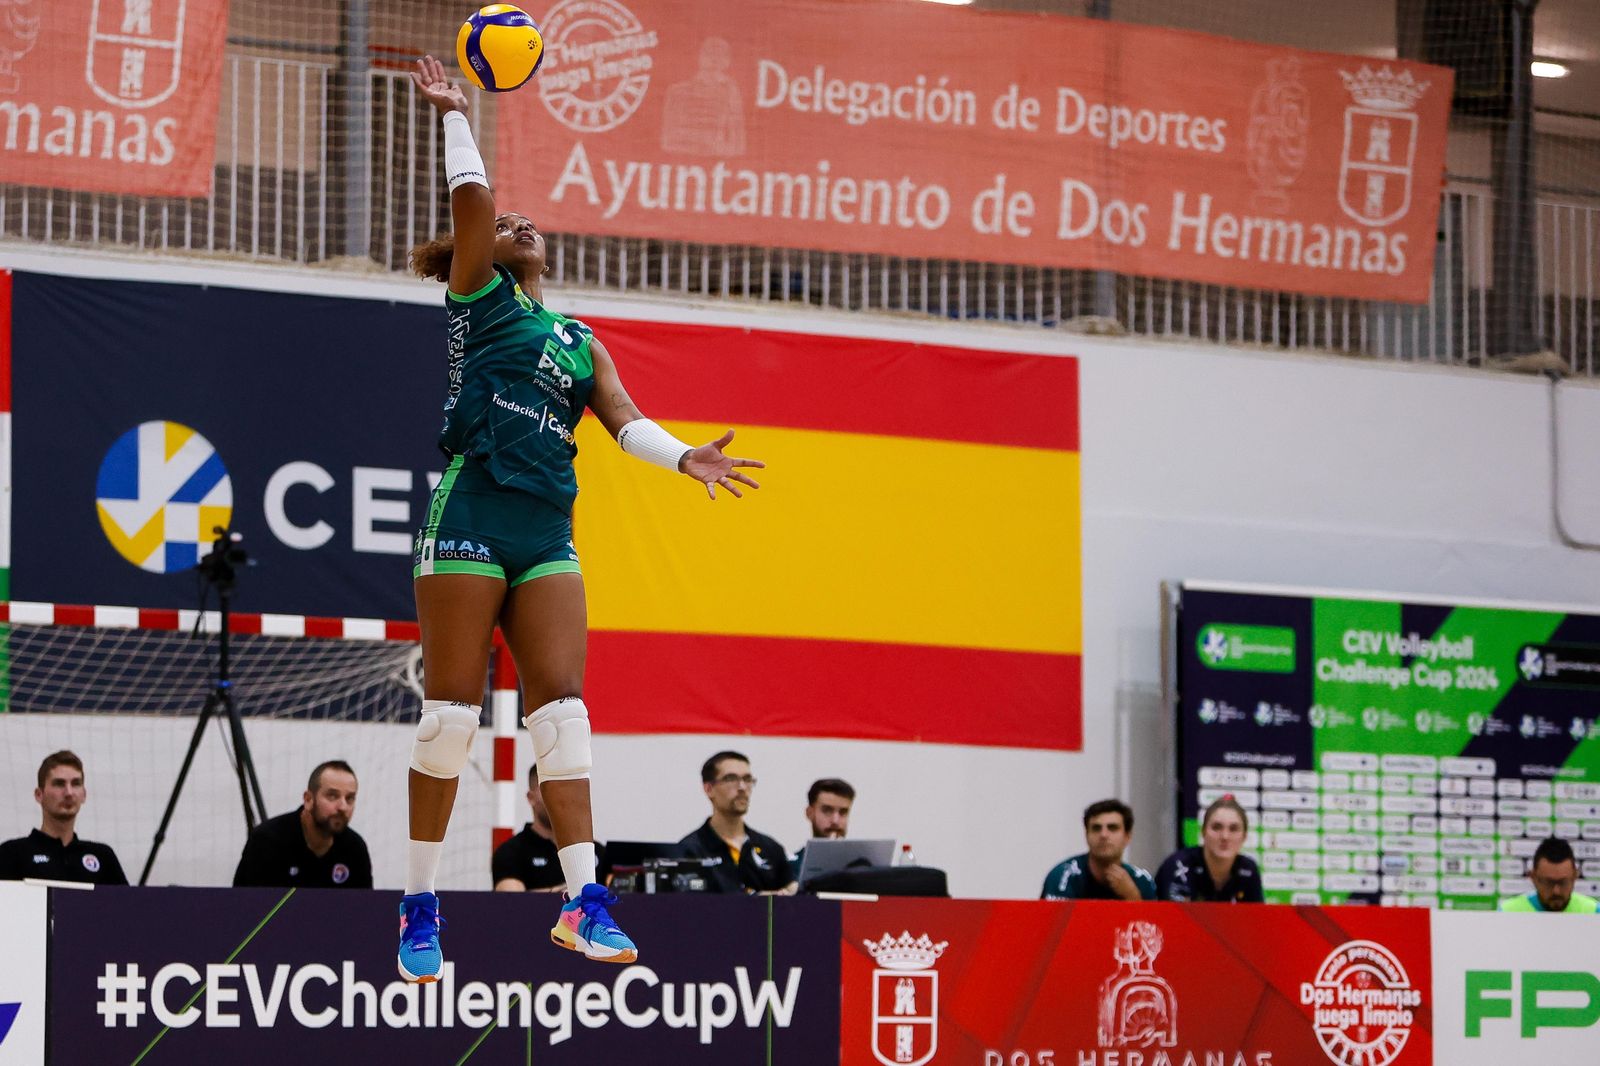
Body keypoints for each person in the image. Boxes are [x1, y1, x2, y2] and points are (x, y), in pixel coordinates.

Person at [399, 55, 763, 983]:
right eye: (509, 224)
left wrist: (686, 456)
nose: (521, 224)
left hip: (544, 531)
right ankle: (420, 904)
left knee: (564, 716)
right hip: (471, 512)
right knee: (449, 718)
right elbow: (475, 205)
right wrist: (457, 115)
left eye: (531, 223)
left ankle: (582, 903)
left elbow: (628, 423)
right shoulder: (479, 302)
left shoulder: (579, 341)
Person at [232, 760, 372, 889]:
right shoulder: (267, 840)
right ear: (308, 799)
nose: (343, 806)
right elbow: (247, 907)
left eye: (350, 798)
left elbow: (364, 910)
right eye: (332, 796)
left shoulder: (355, 848)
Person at [0, 751, 128, 886]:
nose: (69, 793)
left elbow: (127, 905)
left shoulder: (103, 856)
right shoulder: (11, 854)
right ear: (39, 795)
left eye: (76, 783)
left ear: (84, 794)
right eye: (59, 784)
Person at [679, 751, 796, 894]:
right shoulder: (690, 851)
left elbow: (793, 895)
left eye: (747, 779)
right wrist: (756, 900)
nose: (742, 787)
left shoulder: (770, 848)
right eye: (731, 779)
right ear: (709, 789)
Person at [493, 766, 609, 891]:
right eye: (549, 791)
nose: (560, 799)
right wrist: (563, 894)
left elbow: (621, 894)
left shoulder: (594, 851)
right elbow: (510, 900)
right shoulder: (511, 852)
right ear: (531, 797)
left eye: (566, 790)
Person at [1041, 798, 1156, 901]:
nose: (1104, 835)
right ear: (1086, 835)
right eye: (1096, 828)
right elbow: (1056, 924)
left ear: (1127, 837)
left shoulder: (1142, 881)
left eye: (1112, 828)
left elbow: (1152, 923)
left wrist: (1132, 897)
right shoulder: (1064, 876)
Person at [1155, 795, 1263, 903]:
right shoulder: (1178, 866)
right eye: (1217, 827)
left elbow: (1257, 918)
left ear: (1244, 836)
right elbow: (1172, 917)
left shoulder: (1249, 870)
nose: (1225, 836)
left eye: (1233, 829)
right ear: (1203, 832)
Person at [1499, 836, 1598, 913]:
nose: (1556, 891)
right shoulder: (1508, 912)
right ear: (1533, 877)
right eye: (1548, 883)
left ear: (1575, 876)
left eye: (1563, 882)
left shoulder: (1594, 912)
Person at [791, 777, 855, 872]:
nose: (835, 821)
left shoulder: (864, 867)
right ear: (809, 813)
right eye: (827, 810)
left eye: (843, 812)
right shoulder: (789, 868)